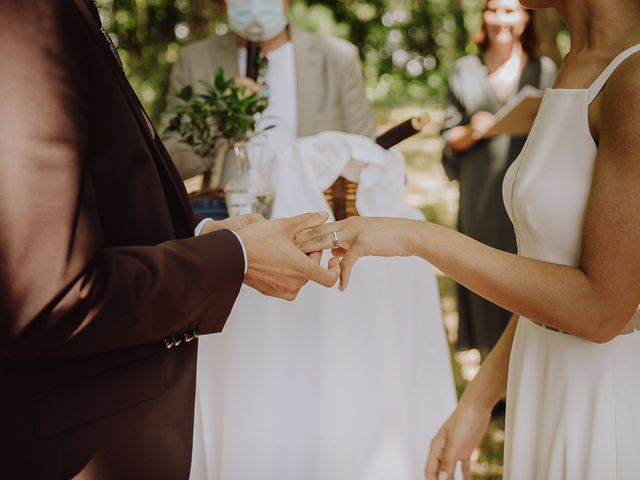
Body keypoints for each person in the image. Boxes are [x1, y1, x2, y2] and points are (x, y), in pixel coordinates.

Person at [296, 0, 640, 478]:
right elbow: (553, 274)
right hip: (540, 375)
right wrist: (478, 401)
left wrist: (417, 237)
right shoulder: (572, 64)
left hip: (603, 396)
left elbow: (601, 309)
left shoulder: (633, 79)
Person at [0, 1, 340, 479]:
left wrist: (202, 236)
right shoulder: (27, 15)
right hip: (71, 444)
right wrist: (233, 258)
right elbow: (49, 295)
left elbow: (98, 206)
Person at [163, 0, 376, 198]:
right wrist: (219, 115)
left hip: (316, 215)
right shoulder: (194, 61)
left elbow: (368, 153)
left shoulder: (337, 59)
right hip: (229, 220)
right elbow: (168, 164)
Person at [441, 0, 556, 357]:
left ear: (526, 16)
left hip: (531, 188)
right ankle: (492, 368)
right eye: (493, 10)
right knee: (484, 269)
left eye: (510, 10)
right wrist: (473, 131)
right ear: (484, 16)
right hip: (480, 190)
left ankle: (529, 359)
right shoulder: (464, 70)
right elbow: (449, 138)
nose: (501, 19)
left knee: (528, 269)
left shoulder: (545, 69)